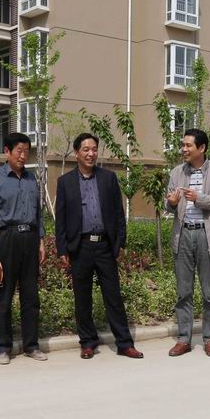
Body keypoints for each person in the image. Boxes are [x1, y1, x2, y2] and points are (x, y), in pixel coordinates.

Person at [54, 133, 143, 360]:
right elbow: (60, 219)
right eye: (86, 149)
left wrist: (120, 242)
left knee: (113, 297)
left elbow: (118, 213)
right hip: (80, 247)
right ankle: (87, 343)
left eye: (94, 149)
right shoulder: (65, 182)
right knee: (82, 299)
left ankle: (124, 343)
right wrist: (62, 249)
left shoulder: (108, 178)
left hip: (105, 246)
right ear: (77, 153)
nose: (91, 153)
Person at [0, 132, 47, 365]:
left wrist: (41, 240)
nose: (23, 155)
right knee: (5, 295)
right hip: (6, 238)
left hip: (30, 238)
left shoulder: (31, 179)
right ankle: (2, 347)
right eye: (19, 151)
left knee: (31, 296)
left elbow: (39, 213)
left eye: (27, 151)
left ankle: (31, 345)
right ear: (7, 152)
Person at [165, 128, 210, 357]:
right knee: (183, 292)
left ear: (201, 148)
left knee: (209, 293)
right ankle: (184, 339)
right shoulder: (176, 173)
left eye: (188, 145)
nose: (183, 149)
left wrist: (199, 198)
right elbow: (168, 205)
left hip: (207, 236)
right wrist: (172, 203)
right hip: (182, 235)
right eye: (182, 145)